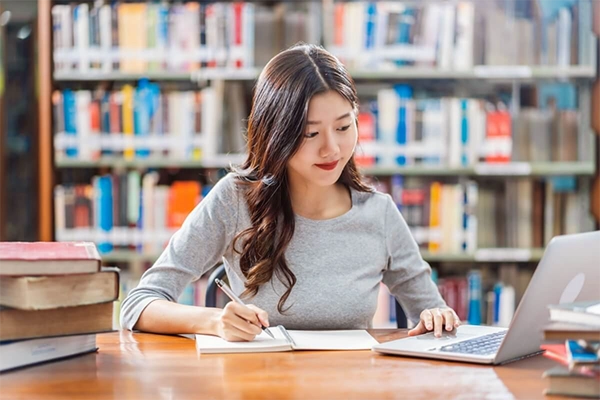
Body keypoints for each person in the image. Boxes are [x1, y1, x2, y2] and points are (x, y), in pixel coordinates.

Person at [120, 43, 460, 342]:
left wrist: (436, 317)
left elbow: (431, 312)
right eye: (310, 134)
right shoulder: (234, 200)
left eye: (344, 127)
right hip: (259, 384)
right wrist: (213, 321)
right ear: (275, 135)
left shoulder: (379, 213)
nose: (332, 149)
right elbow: (138, 304)